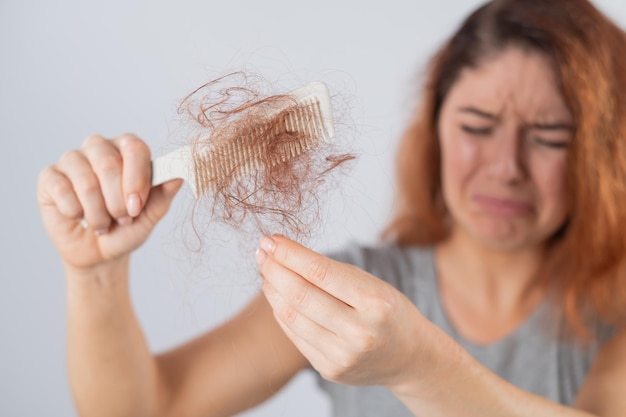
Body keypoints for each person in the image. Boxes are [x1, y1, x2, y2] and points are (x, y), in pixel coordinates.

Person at [37, 0, 626, 416]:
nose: (506, 167)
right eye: (477, 125)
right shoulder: (347, 296)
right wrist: (94, 273)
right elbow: (143, 409)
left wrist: (415, 364)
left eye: (550, 135)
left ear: (606, 153)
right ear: (436, 131)